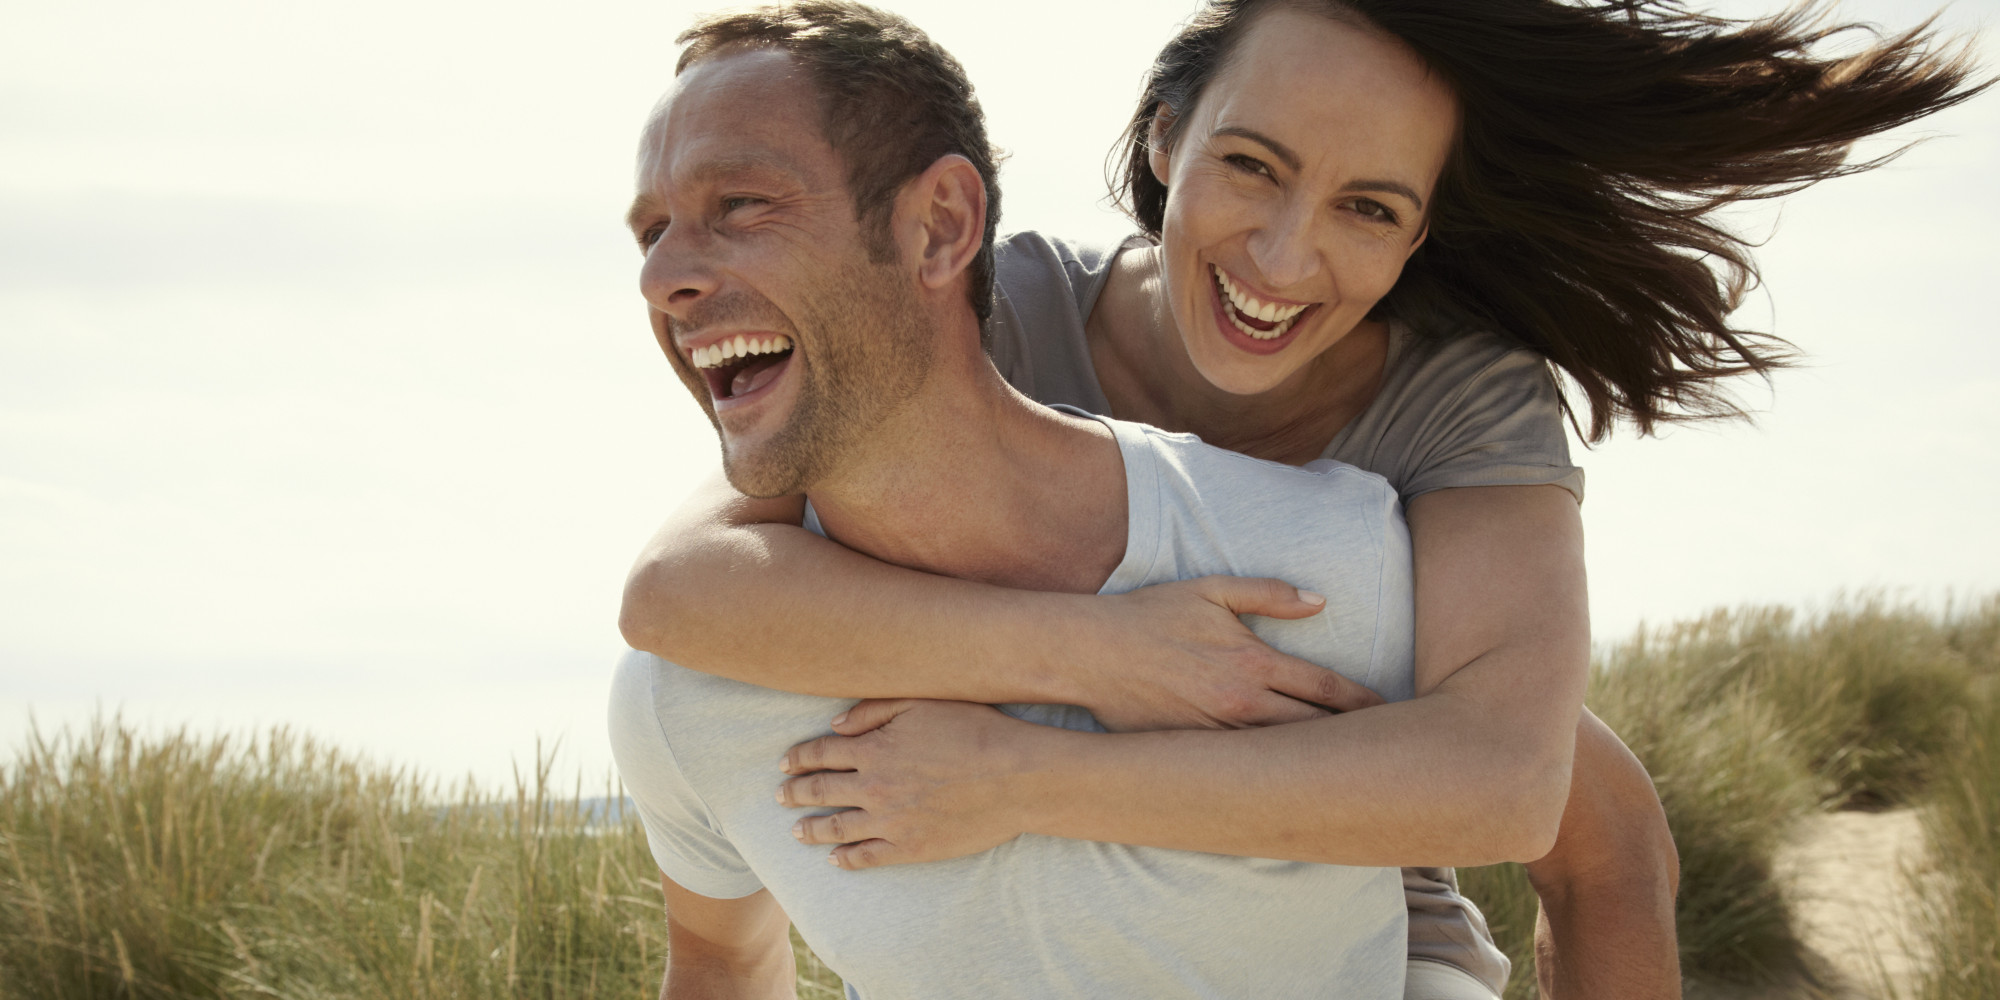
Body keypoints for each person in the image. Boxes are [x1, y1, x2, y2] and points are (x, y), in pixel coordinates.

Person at [618, 1, 1985, 997]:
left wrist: (1027, 781)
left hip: (1359, 885)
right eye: (1252, 167)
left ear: (1422, 230)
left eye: (1367, 209)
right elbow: (681, 592)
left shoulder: (1455, 408)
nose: (1281, 258)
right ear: (1167, 138)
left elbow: (1535, 794)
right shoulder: (1007, 312)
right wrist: (1099, 654)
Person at [610, 6, 1450, 995]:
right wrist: (1095, 654)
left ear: (940, 226)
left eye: (742, 205)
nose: (661, 277)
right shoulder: (688, 689)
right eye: (652, 232)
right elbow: (717, 960)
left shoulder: (1316, 566)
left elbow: (1556, 808)